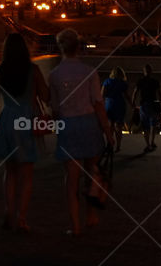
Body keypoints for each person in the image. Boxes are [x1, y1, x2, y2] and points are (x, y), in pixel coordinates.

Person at [49, 29, 115, 236]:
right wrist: (108, 131)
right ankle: (91, 215)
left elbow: (55, 108)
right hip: (89, 125)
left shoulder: (54, 75)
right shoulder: (89, 72)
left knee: (71, 179)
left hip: (68, 125)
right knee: (91, 174)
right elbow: (97, 103)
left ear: (61, 48)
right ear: (78, 47)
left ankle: (75, 224)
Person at [0, 33, 49, 232]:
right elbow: (46, 96)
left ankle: (9, 211)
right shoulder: (33, 70)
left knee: (10, 171)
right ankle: (22, 218)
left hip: (7, 119)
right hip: (27, 120)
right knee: (27, 174)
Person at [131, 64, 161, 153]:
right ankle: (152, 142)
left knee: (145, 126)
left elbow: (135, 92)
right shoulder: (155, 81)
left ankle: (147, 145)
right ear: (151, 71)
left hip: (144, 105)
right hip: (153, 104)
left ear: (144, 71)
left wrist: (133, 104)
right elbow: (159, 94)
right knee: (153, 124)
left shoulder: (140, 81)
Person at [101, 67, 128, 152]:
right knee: (119, 127)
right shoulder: (123, 83)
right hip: (120, 105)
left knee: (110, 126)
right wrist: (132, 104)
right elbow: (126, 95)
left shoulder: (107, 81)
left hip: (109, 104)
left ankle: (110, 144)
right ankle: (118, 146)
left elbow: (102, 95)